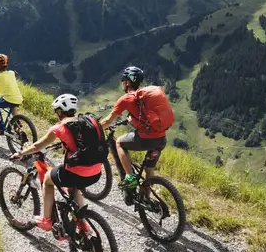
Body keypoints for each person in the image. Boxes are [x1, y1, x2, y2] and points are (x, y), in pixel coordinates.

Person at [11, 93, 105, 233]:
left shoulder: (59, 128)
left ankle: (46, 220)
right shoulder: (85, 122)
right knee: (74, 188)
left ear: (60, 111)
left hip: (77, 173)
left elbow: (38, 146)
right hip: (96, 172)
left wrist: (21, 153)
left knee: (48, 180)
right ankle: (82, 223)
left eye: (56, 111)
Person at [98, 65, 175, 204]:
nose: (122, 83)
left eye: (123, 80)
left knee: (119, 142)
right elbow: (146, 117)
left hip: (146, 139)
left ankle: (130, 177)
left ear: (127, 82)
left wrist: (96, 128)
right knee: (149, 167)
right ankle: (147, 197)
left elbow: (108, 121)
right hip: (161, 139)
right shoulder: (144, 97)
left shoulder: (125, 99)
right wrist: (131, 120)